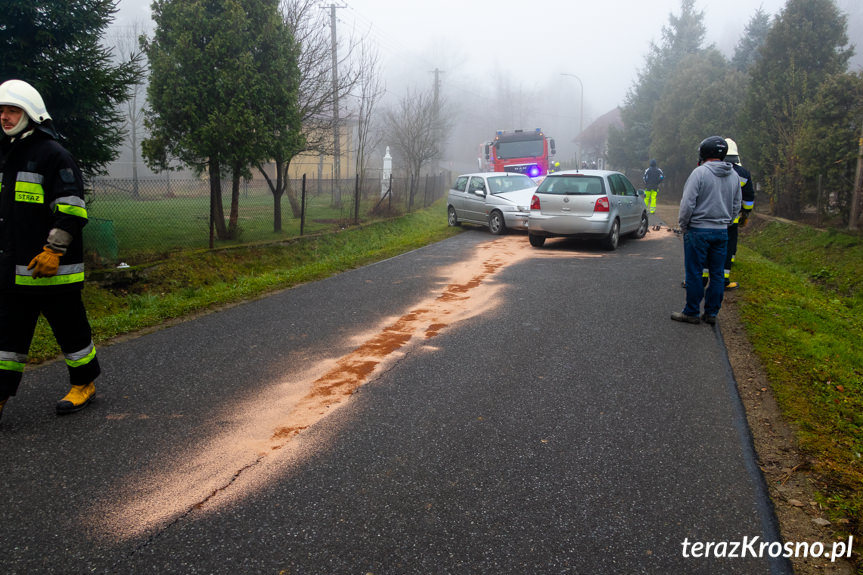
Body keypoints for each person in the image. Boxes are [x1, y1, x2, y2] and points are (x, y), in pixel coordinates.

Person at [0, 79, 101, 422]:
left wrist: (53, 250)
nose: (5, 117)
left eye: (13, 110)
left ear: (31, 114)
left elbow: (71, 209)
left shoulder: (54, 156)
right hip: (15, 270)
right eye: (1, 111)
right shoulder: (7, 154)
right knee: (8, 341)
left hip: (53, 269)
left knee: (71, 331)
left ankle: (84, 384)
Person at [671, 136, 741, 325]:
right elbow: (737, 206)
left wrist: (684, 225)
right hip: (721, 232)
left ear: (704, 153)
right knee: (717, 273)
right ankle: (711, 313)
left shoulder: (699, 173)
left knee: (694, 272)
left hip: (698, 231)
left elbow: (687, 204)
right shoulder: (733, 175)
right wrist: (725, 222)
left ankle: (692, 312)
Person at [722, 138, 755, 290]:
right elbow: (748, 198)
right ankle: (724, 280)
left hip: (710, 219)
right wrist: (745, 214)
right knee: (729, 247)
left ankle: (697, 280)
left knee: (706, 248)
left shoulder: (708, 169)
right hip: (732, 220)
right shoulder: (743, 173)